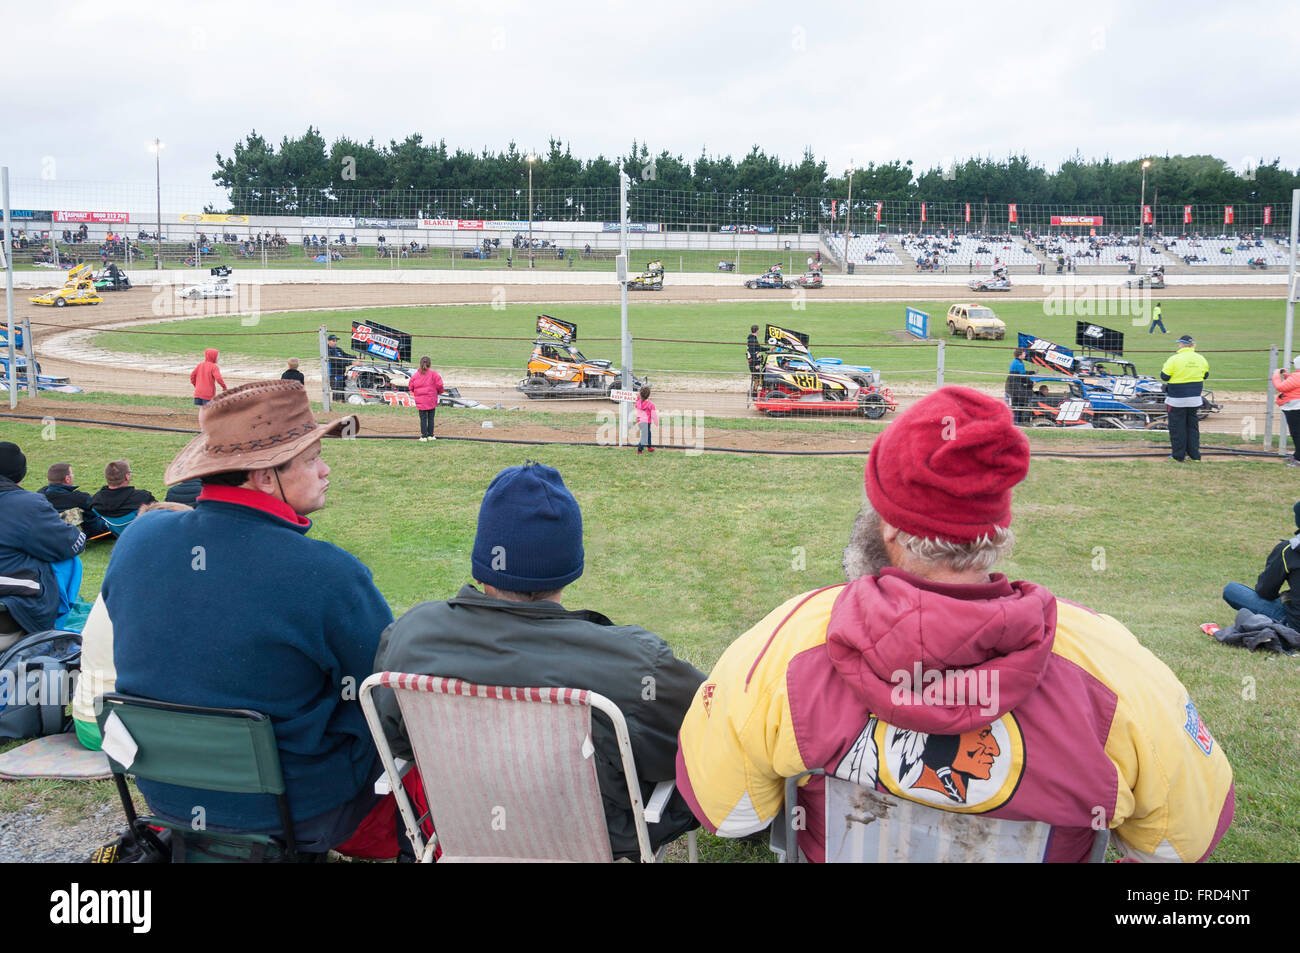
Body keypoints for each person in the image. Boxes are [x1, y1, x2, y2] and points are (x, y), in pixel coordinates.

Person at [676, 387, 1235, 863]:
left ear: (889, 530)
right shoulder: (1110, 661)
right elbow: (1179, 843)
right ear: (998, 530)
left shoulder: (793, 636)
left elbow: (727, 812)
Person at [102, 381, 395, 854]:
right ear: (263, 476)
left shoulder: (140, 537)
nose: (325, 470)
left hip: (163, 793)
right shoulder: (324, 571)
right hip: (296, 811)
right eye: (311, 458)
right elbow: (383, 689)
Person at [372, 462, 703, 859]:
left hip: (464, 826)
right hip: (598, 840)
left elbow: (393, 739)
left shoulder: (410, 637)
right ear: (569, 568)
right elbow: (700, 743)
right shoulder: (633, 664)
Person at [0, 443, 87, 645]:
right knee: (70, 562)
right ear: (20, 474)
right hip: (11, 612)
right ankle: (52, 630)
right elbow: (70, 544)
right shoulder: (27, 504)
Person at [1220, 501, 1300, 631]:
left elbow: (1265, 591)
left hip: (1294, 626)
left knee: (1232, 590)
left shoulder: (1288, 550)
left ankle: (1283, 624)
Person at [1161, 335, 1210, 462]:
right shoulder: (1201, 359)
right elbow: (1205, 375)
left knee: (1177, 428)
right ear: (1193, 345)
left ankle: (1178, 456)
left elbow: (1164, 377)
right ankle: (1194, 456)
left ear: (1181, 345)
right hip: (1194, 399)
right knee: (1192, 428)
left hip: (1176, 400)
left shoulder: (1174, 359)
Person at [37, 462, 104, 535]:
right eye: (72, 474)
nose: (73, 475)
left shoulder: (40, 496)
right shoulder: (80, 498)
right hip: (86, 532)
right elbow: (100, 511)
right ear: (67, 479)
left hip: (48, 532)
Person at [88, 460, 155, 521]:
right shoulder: (143, 497)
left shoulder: (96, 501)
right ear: (127, 477)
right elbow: (160, 513)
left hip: (117, 533)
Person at [407, 355, 445, 442]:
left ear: (420, 364)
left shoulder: (415, 376)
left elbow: (411, 387)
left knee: (423, 419)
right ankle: (431, 435)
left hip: (421, 401)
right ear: (430, 364)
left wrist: (415, 391)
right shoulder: (434, 374)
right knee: (431, 418)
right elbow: (440, 385)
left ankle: (424, 436)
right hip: (431, 400)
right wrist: (439, 391)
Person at [1272, 355, 1300, 467]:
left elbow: (1280, 387)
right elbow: (1294, 383)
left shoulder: (1297, 377)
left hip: (1294, 408)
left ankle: (1298, 459)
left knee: (1296, 434)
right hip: (1295, 407)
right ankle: (1297, 455)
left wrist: (1275, 375)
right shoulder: (1296, 377)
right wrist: (1287, 376)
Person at [635, 384, 658, 454]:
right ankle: (639, 449)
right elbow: (654, 415)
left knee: (648, 434)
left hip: (640, 422)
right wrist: (656, 423)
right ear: (649, 395)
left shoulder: (638, 402)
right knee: (645, 436)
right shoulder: (651, 405)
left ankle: (649, 446)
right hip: (646, 422)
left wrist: (638, 397)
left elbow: (637, 401)